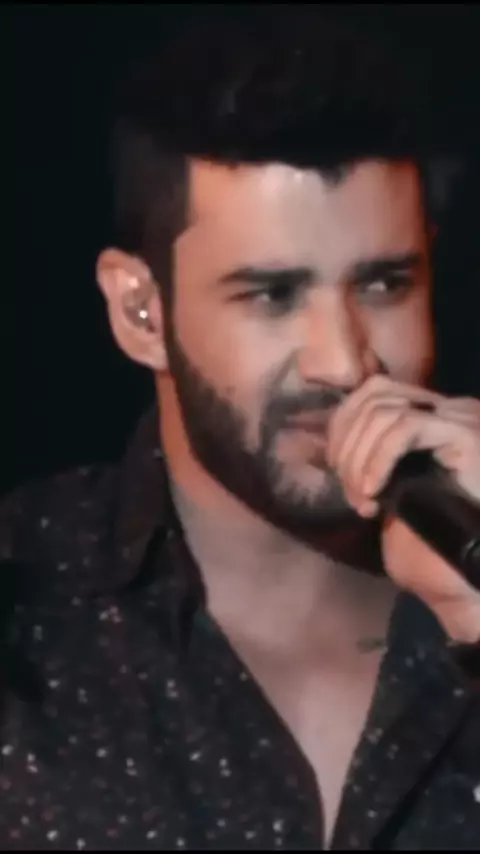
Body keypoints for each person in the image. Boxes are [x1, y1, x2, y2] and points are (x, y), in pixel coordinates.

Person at [4, 7, 480, 850]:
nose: (344, 361)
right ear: (141, 311)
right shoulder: (28, 612)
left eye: (384, 284)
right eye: (271, 295)